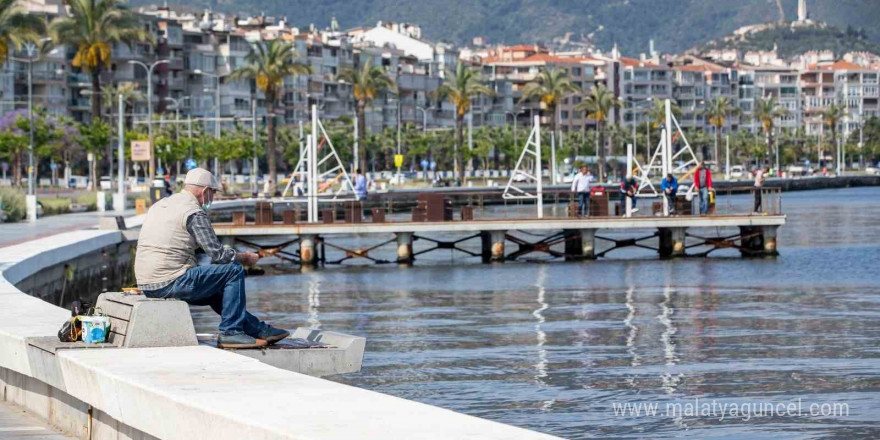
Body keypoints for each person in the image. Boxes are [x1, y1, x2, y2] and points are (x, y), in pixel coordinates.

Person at [134, 168, 289, 349]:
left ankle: (258, 330)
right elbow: (218, 254)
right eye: (213, 193)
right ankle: (231, 333)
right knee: (233, 271)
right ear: (205, 191)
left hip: (147, 283)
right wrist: (244, 257)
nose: (213, 198)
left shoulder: (162, 205)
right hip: (169, 281)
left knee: (217, 289)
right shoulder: (193, 212)